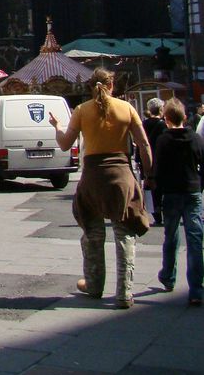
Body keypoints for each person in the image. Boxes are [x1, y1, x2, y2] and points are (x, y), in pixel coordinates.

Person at [49, 68, 153, 309]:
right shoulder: (126, 108)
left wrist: (56, 127)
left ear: (91, 87)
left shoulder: (82, 110)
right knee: (124, 234)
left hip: (93, 178)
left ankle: (94, 285)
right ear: (112, 85)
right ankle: (125, 292)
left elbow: (65, 145)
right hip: (121, 177)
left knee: (93, 235)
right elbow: (144, 144)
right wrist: (149, 175)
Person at [152, 98, 204, 306]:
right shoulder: (196, 139)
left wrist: (159, 191)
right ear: (184, 116)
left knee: (171, 236)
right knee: (195, 239)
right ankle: (196, 289)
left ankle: (168, 276)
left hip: (172, 193)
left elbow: (159, 169)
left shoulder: (163, 140)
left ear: (166, 118)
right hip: (192, 191)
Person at [142, 98, 166, 225]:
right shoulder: (163, 125)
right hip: (160, 161)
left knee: (151, 189)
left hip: (148, 161)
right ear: (161, 110)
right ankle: (163, 211)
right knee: (162, 188)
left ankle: (156, 214)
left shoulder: (144, 124)